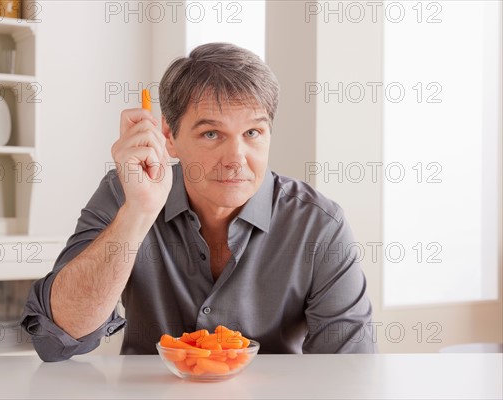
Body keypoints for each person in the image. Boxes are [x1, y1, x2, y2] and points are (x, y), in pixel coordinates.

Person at [21, 42, 377, 362]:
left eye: (253, 132)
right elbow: (58, 338)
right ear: (168, 138)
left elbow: (348, 371)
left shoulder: (320, 225)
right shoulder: (126, 193)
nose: (236, 158)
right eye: (211, 133)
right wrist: (138, 212)